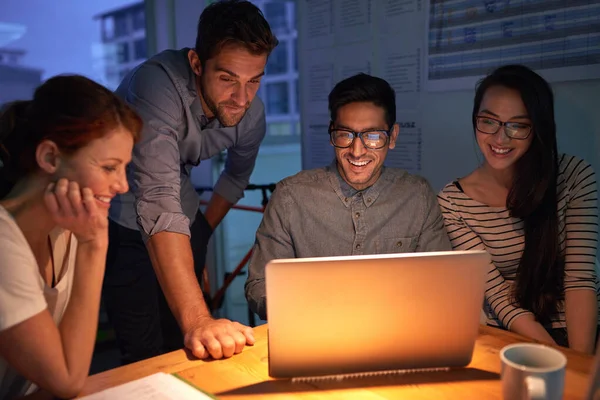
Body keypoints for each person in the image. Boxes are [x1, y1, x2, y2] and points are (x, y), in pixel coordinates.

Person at [103, 0, 279, 364]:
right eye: (228, 79)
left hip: (182, 215)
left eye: (254, 81)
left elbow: (236, 175)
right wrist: (200, 320)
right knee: (143, 352)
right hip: (122, 218)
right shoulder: (155, 85)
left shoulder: (251, 113)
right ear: (197, 63)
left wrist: (202, 230)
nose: (242, 99)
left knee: (183, 347)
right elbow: (157, 199)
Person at [245, 73, 452, 320]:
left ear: (393, 137)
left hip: (396, 337)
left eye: (373, 136)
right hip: (315, 338)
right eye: (345, 134)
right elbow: (259, 285)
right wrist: (307, 307)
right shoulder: (291, 197)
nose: (357, 150)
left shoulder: (417, 196)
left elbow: (442, 285)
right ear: (332, 132)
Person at [437, 64, 599, 354]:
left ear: (538, 128)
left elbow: (580, 279)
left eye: (518, 125)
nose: (500, 138)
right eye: (489, 121)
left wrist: (580, 364)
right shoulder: (453, 201)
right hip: (515, 332)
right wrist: (557, 358)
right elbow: (497, 295)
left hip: (583, 329)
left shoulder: (574, 176)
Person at [0, 75, 141, 398]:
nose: (122, 186)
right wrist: (95, 246)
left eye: (124, 168)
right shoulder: (4, 242)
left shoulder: (69, 228)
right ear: (50, 157)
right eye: (109, 167)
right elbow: (67, 380)